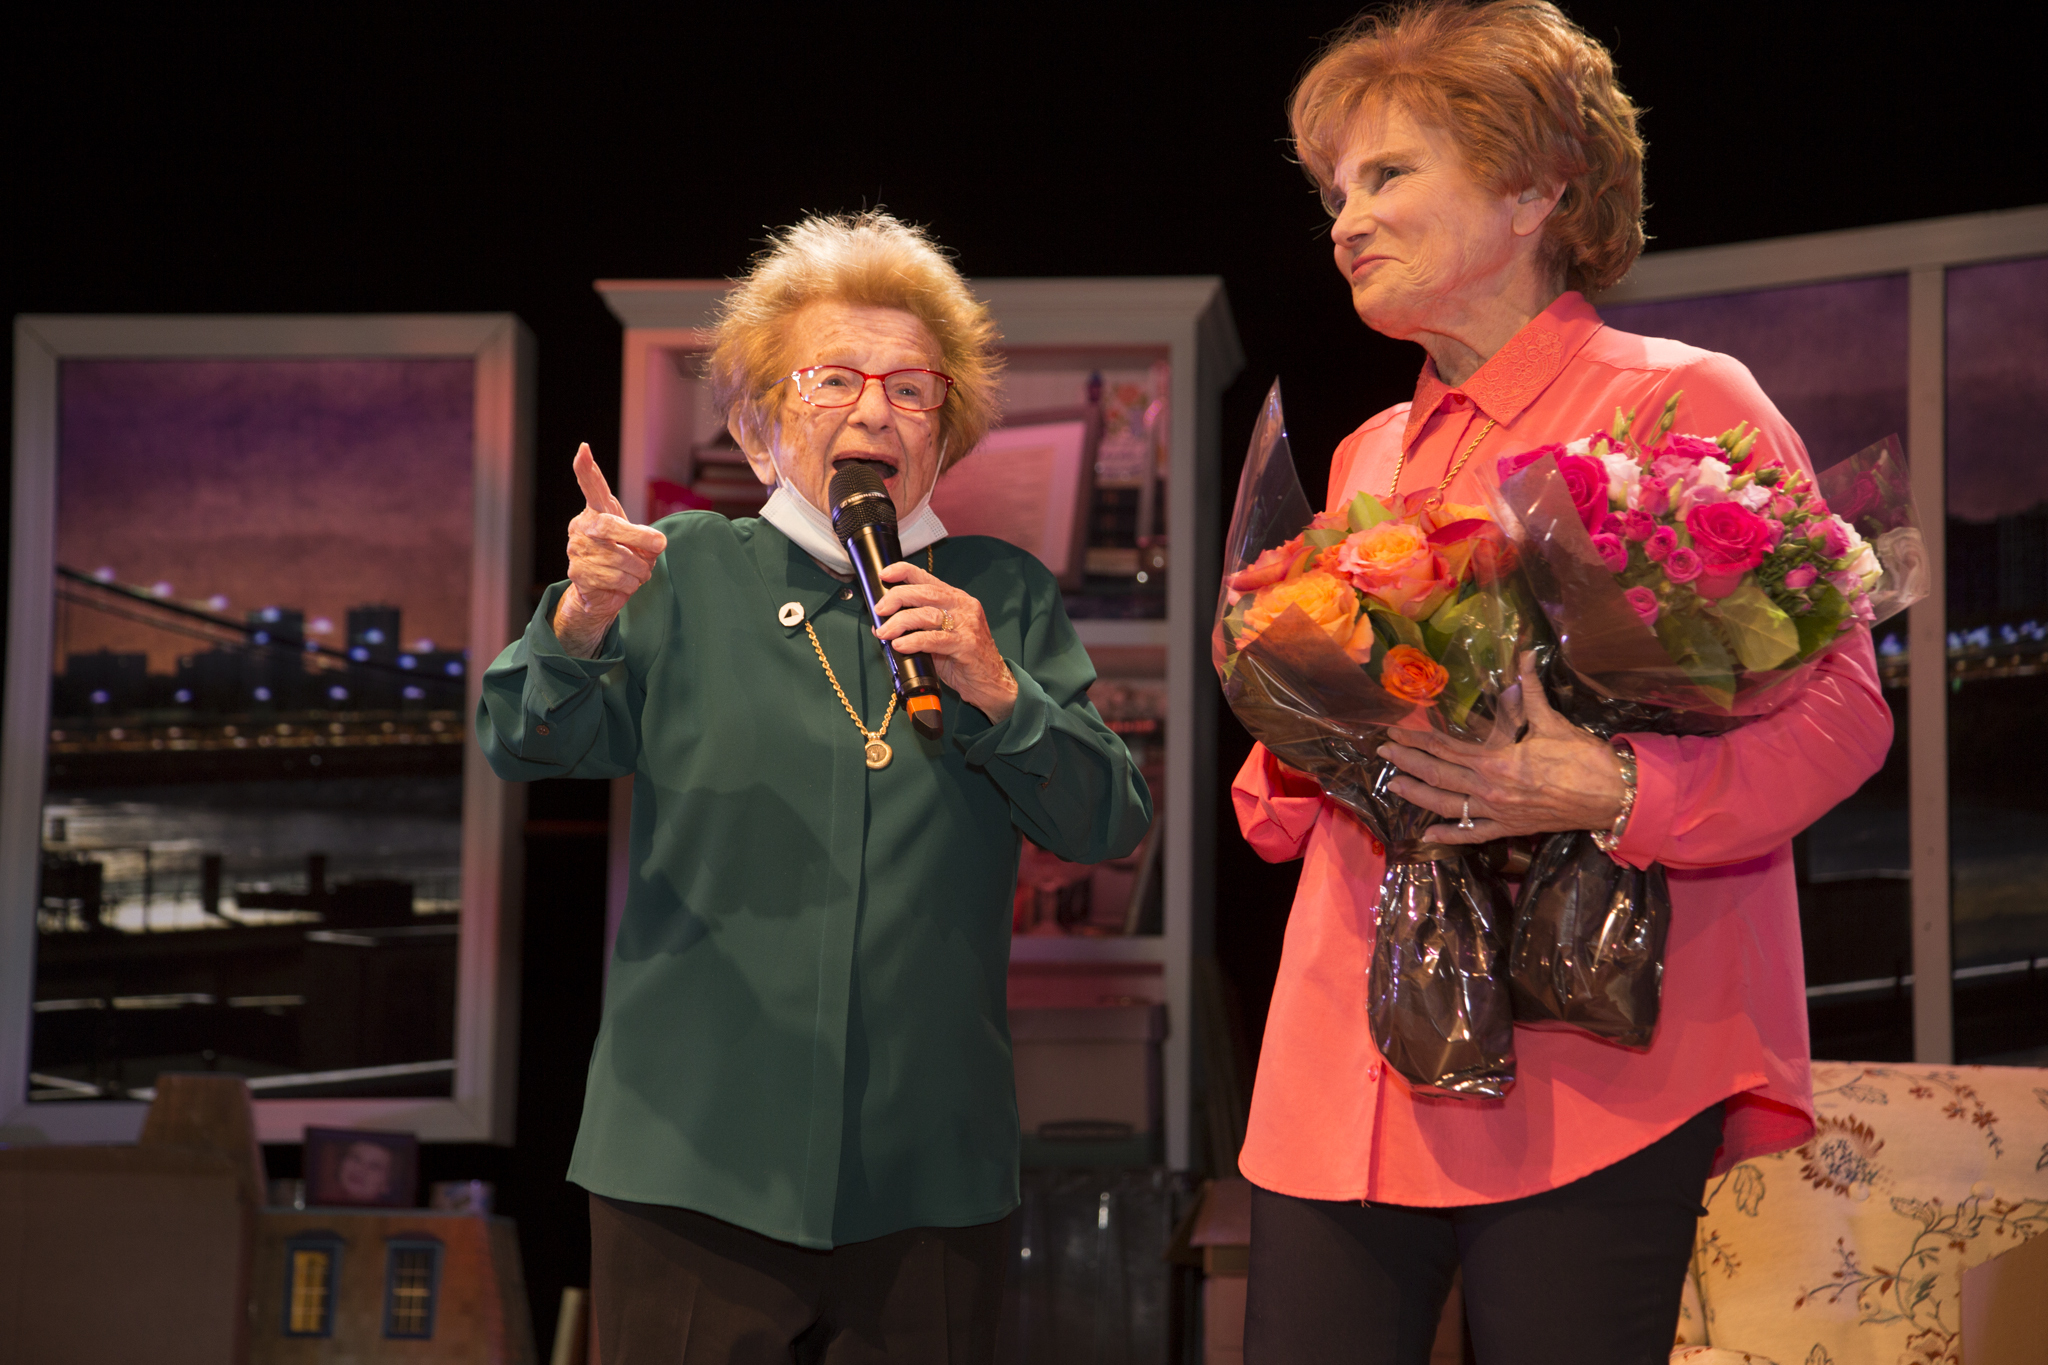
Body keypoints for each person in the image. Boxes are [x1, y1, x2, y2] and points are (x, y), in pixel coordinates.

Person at [1229, 6, 1893, 1363]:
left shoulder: (1685, 404)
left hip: (1589, 1058)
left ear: (1538, 187)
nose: (1348, 217)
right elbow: (1286, 790)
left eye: (1389, 174)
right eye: (1335, 191)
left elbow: (1841, 710)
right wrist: (1306, 733)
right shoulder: (1358, 459)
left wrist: (1615, 784)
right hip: (1337, 1046)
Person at [477, 210, 1152, 1364]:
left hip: (928, 1164)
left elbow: (1102, 821)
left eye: (912, 387)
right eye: (833, 378)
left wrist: (999, 691)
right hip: (689, 1155)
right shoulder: (678, 568)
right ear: (756, 422)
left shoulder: (1000, 592)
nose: (874, 409)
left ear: (949, 430)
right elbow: (526, 744)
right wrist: (581, 614)